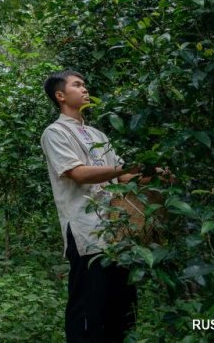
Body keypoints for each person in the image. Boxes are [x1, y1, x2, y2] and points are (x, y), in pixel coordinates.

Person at [40, 69, 138, 342]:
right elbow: (78, 173)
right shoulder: (55, 133)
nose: (85, 89)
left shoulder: (98, 134)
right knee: (87, 311)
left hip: (117, 231)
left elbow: (122, 174)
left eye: (85, 85)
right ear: (60, 96)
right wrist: (124, 169)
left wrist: (150, 172)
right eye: (77, 85)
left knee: (122, 309)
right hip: (86, 232)